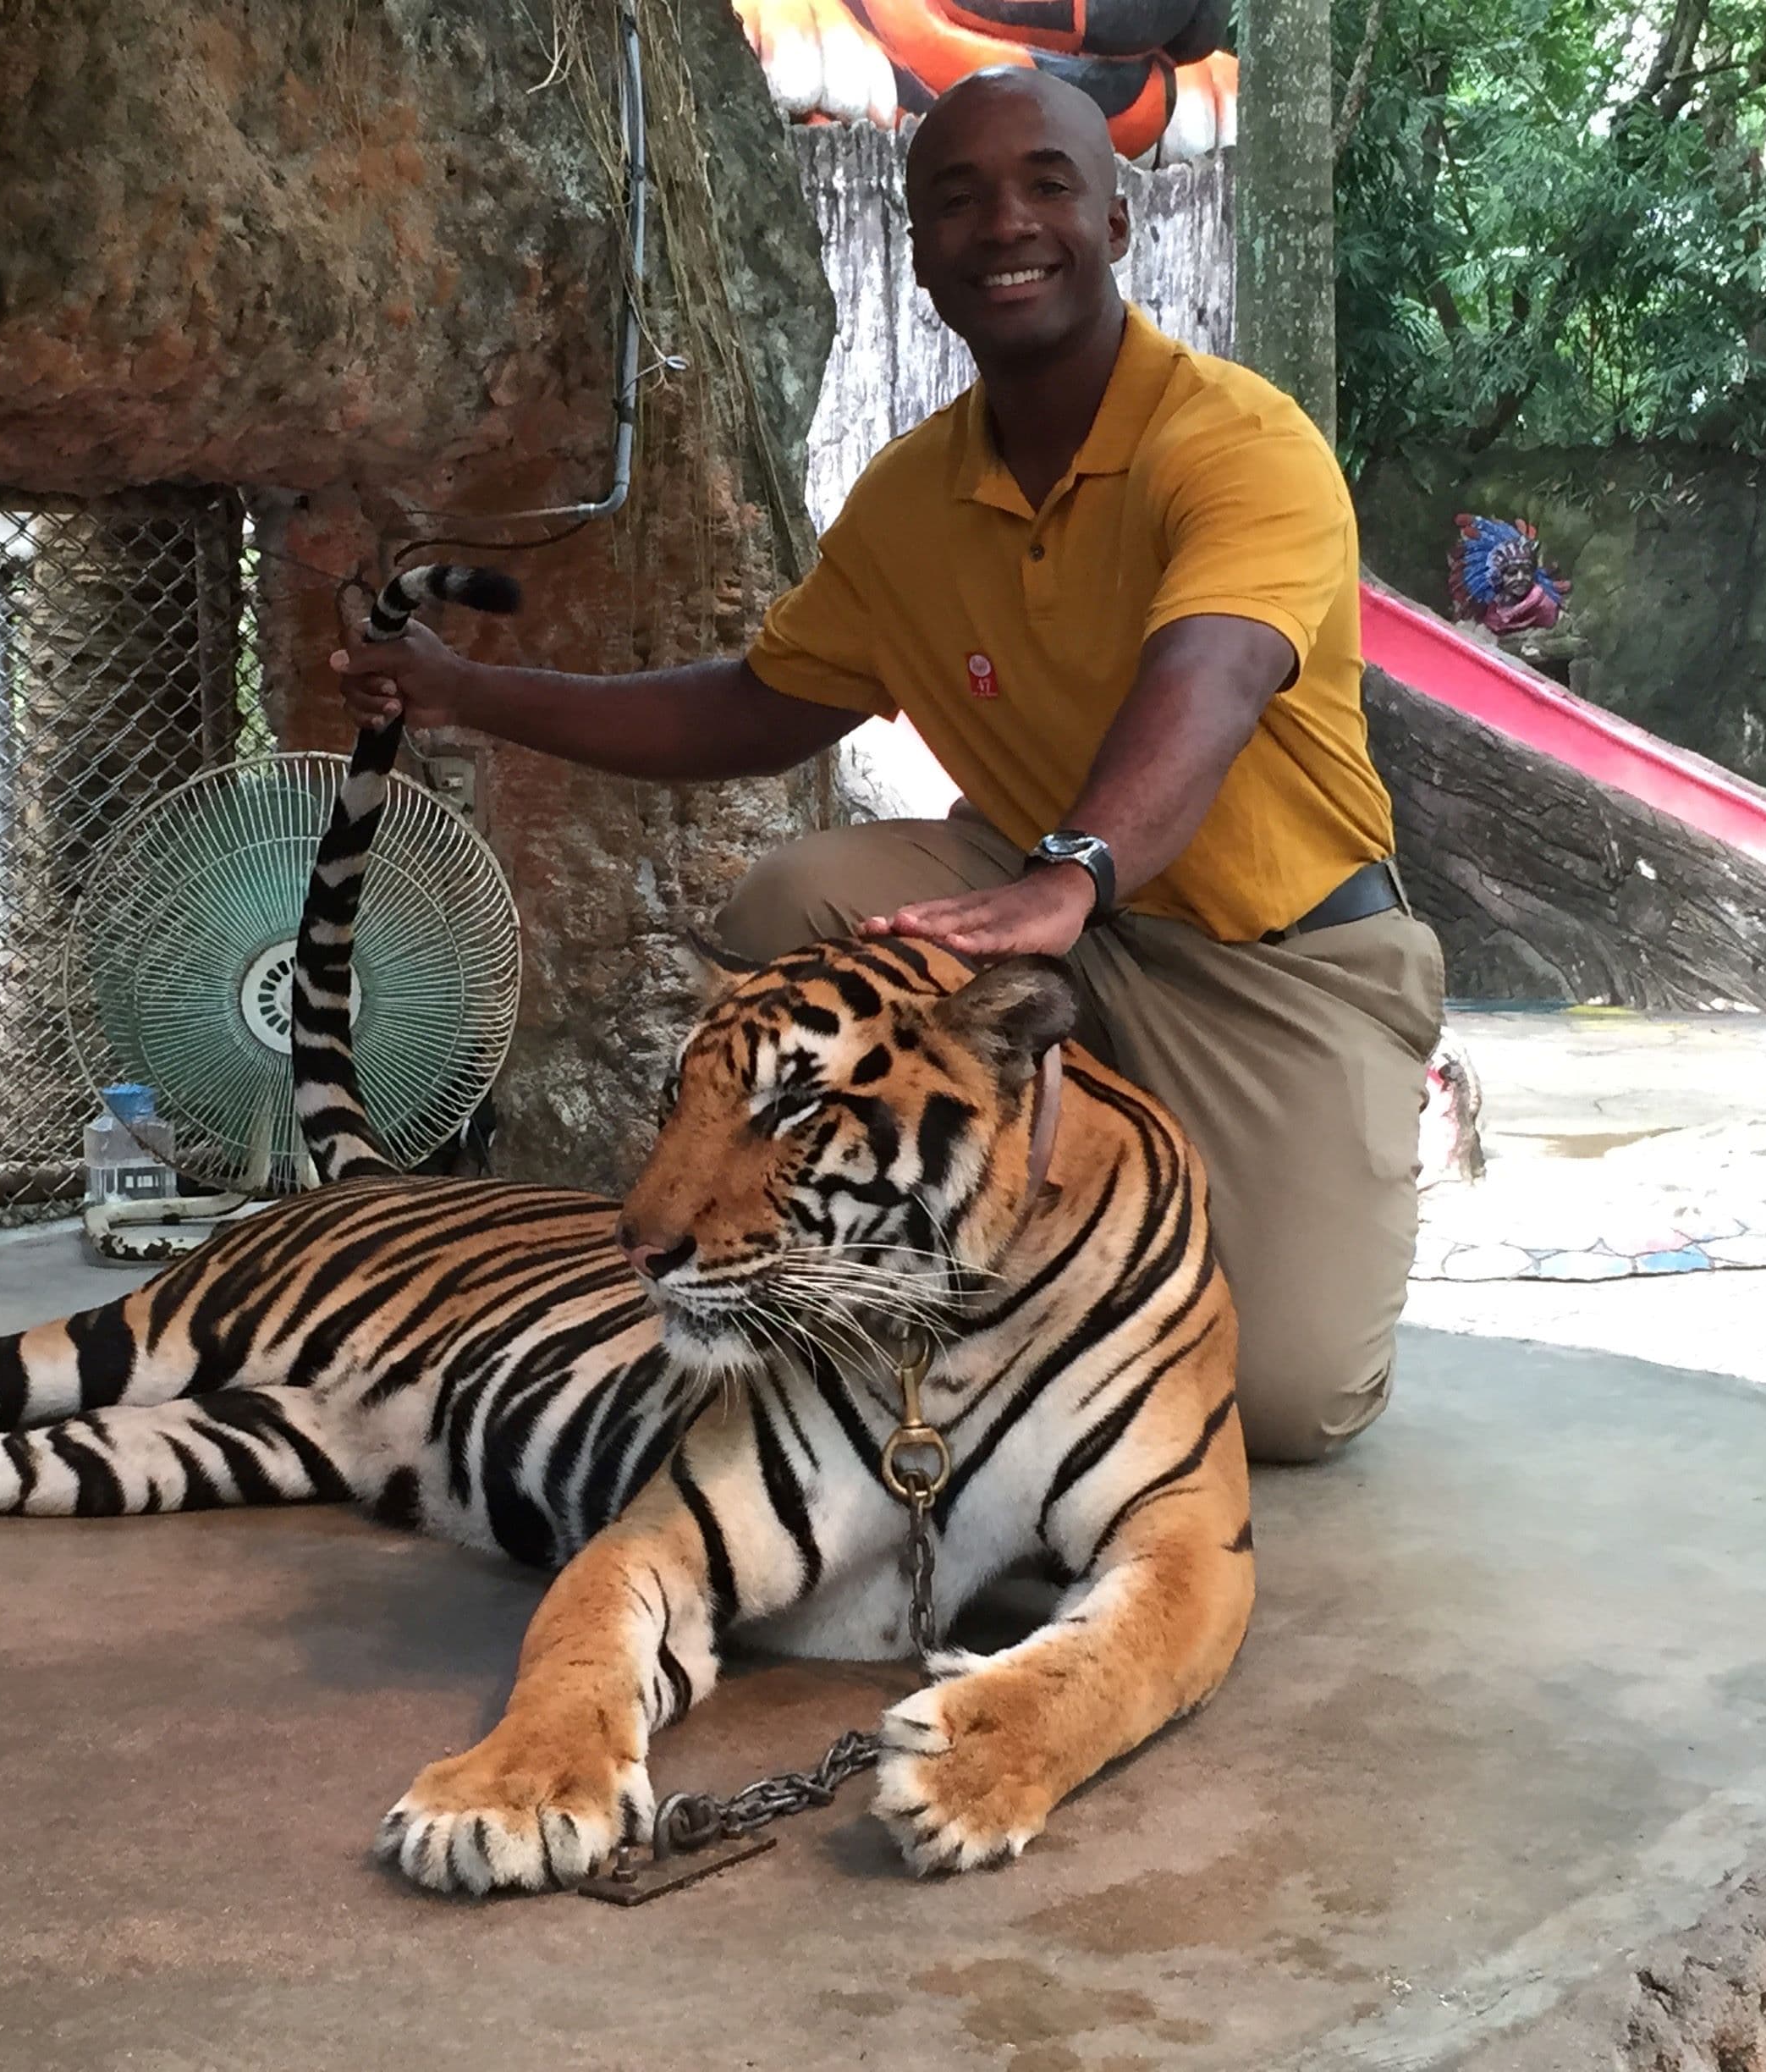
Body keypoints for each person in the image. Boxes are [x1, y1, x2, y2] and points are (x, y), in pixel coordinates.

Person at [331, 66, 1444, 1464]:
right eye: (959, 199)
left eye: (1047, 184)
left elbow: (1209, 679)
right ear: (919, 252)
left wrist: (1071, 878)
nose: (1005, 224)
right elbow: (753, 709)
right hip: (1043, 902)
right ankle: (884, 1258)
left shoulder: (1238, 442)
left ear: (1117, 222)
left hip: (1267, 955)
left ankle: (1286, 1156)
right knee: (796, 903)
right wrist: (469, 690)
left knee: (1285, 1404)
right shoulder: (910, 498)